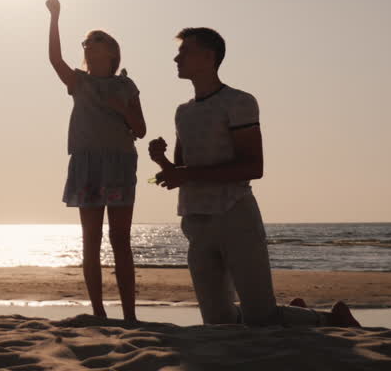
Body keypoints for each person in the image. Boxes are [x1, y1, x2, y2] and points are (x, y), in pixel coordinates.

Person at [149, 27, 359, 327]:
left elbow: (253, 167)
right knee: (218, 323)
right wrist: (162, 161)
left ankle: (332, 319)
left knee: (261, 317)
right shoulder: (183, 112)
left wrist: (185, 173)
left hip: (234, 214)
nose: (176, 58)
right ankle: (295, 313)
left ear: (209, 57)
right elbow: (182, 172)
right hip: (195, 221)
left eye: (185, 52)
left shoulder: (239, 101)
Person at [46, 0, 146, 321]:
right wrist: (55, 16)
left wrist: (121, 109)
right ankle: (99, 313)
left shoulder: (126, 85)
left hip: (118, 165)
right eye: (87, 42)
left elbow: (141, 129)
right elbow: (55, 60)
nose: (89, 45)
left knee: (120, 240)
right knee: (91, 240)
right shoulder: (79, 81)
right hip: (87, 165)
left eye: (97, 40)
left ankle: (130, 316)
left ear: (112, 51)